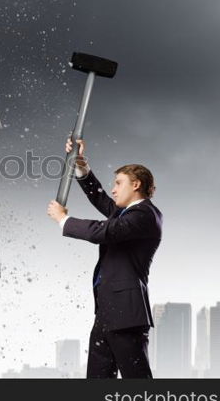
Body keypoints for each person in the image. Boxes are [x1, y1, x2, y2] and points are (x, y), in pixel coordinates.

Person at [46, 137, 162, 378]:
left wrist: (64, 220)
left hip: (127, 316)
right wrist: (80, 164)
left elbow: (105, 231)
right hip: (107, 313)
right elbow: (99, 198)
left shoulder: (145, 216)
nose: (113, 189)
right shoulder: (126, 213)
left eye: (119, 183)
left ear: (136, 184)